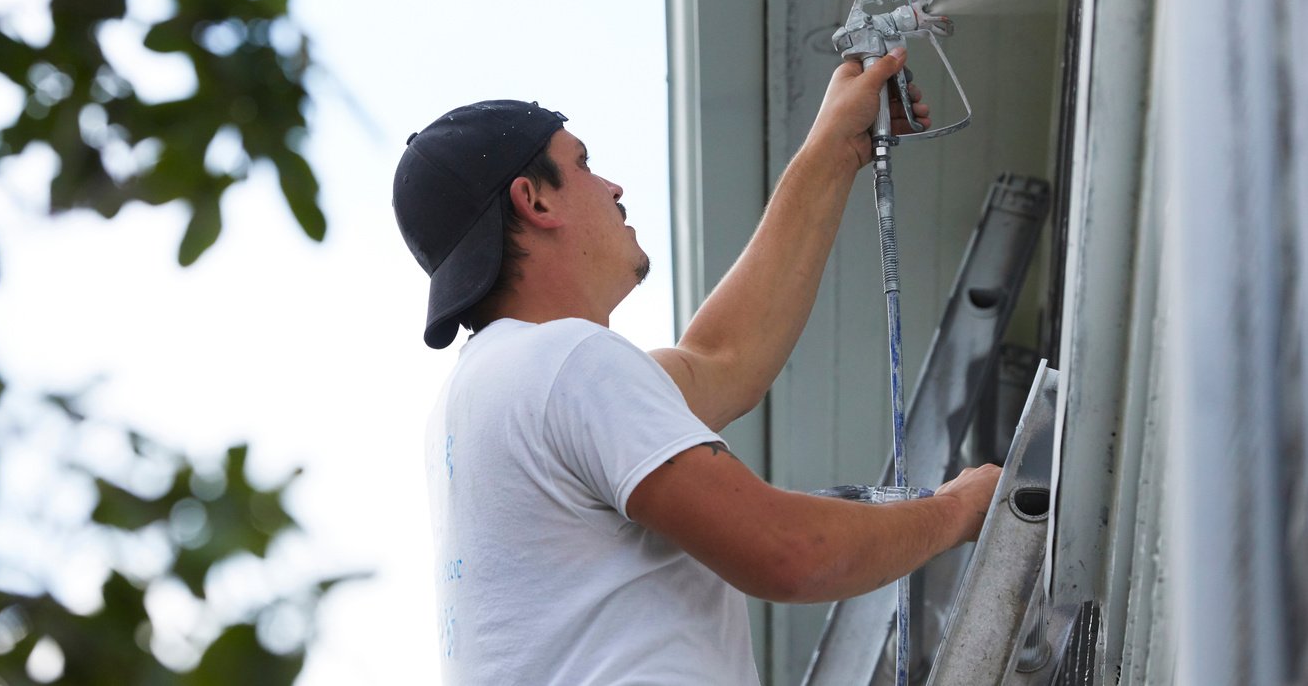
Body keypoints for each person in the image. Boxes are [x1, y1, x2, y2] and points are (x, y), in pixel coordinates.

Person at [393, 48, 1002, 685]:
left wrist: (838, 145)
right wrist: (955, 511)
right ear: (535, 202)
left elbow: (722, 359)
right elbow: (787, 552)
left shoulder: (492, 391)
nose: (613, 187)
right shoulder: (564, 363)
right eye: (584, 165)